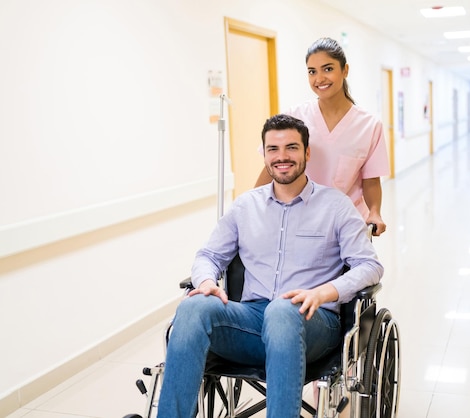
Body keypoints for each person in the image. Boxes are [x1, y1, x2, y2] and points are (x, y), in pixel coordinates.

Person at [157, 114, 384, 418]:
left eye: (291, 148)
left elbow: (369, 266)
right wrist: (206, 281)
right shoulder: (245, 206)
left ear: (307, 153)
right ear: (264, 155)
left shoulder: (335, 206)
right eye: (273, 149)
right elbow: (208, 256)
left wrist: (323, 293)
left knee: (281, 309)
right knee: (193, 307)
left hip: (313, 323)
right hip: (251, 321)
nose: (282, 157)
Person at [255, 37, 390, 236]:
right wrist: (249, 206)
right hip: (297, 221)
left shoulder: (369, 125)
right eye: (312, 72)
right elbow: (272, 166)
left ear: (345, 70)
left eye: (328, 69)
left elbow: (371, 180)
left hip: (347, 225)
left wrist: (375, 213)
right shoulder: (295, 117)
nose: (319, 79)